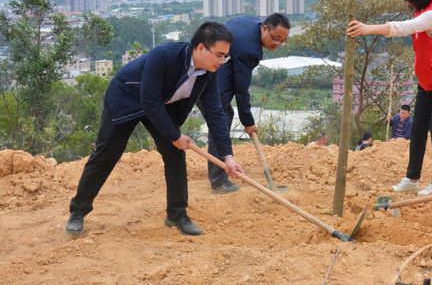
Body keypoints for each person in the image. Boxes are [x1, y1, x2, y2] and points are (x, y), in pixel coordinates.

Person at [65, 22, 243, 236]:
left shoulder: (208, 72)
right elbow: (149, 101)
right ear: (201, 48)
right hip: (127, 98)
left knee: (175, 154)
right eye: (220, 55)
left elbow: (215, 112)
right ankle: (78, 211)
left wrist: (227, 155)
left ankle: (177, 215)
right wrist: (175, 135)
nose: (223, 61)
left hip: (161, 104)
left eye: (226, 56)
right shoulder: (164, 55)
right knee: (106, 154)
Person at [347, 0, 432, 197]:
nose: (406, 2)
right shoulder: (423, 10)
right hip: (428, 82)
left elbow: (401, 28)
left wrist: (368, 29)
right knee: (418, 130)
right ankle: (412, 179)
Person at [205, 14, 291, 193]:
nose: (277, 44)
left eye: (282, 41)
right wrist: (248, 121)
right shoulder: (250, 50)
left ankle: (218, 169)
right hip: (209, 79)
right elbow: (241, 89)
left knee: (223, 116)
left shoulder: (250, 22)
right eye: (276, 38)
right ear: (265, 28)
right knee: (221, 120)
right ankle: (218, 180)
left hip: (210, 71)